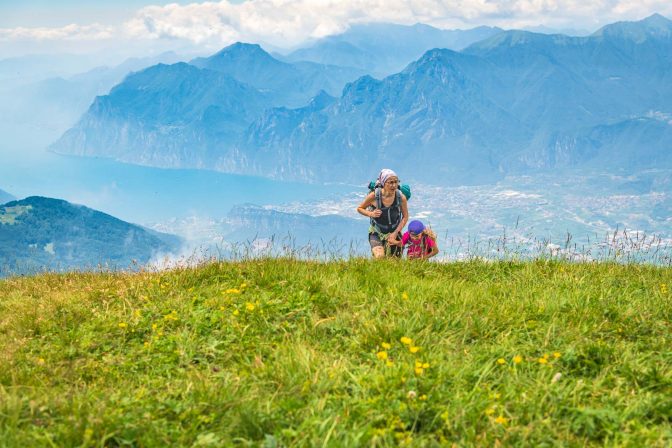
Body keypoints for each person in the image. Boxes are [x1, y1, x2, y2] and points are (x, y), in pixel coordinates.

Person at [356, 169, 409, 258]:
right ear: (384, 183)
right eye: (390, 182)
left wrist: (395, 233)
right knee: (379, 257)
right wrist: (371, 214)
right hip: (376, 232)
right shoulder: (374, 196)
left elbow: (405, 217)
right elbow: (360, 208)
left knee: (395, 261)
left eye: (396, 182)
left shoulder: (401, 198)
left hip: (394, 232)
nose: (394, 185)